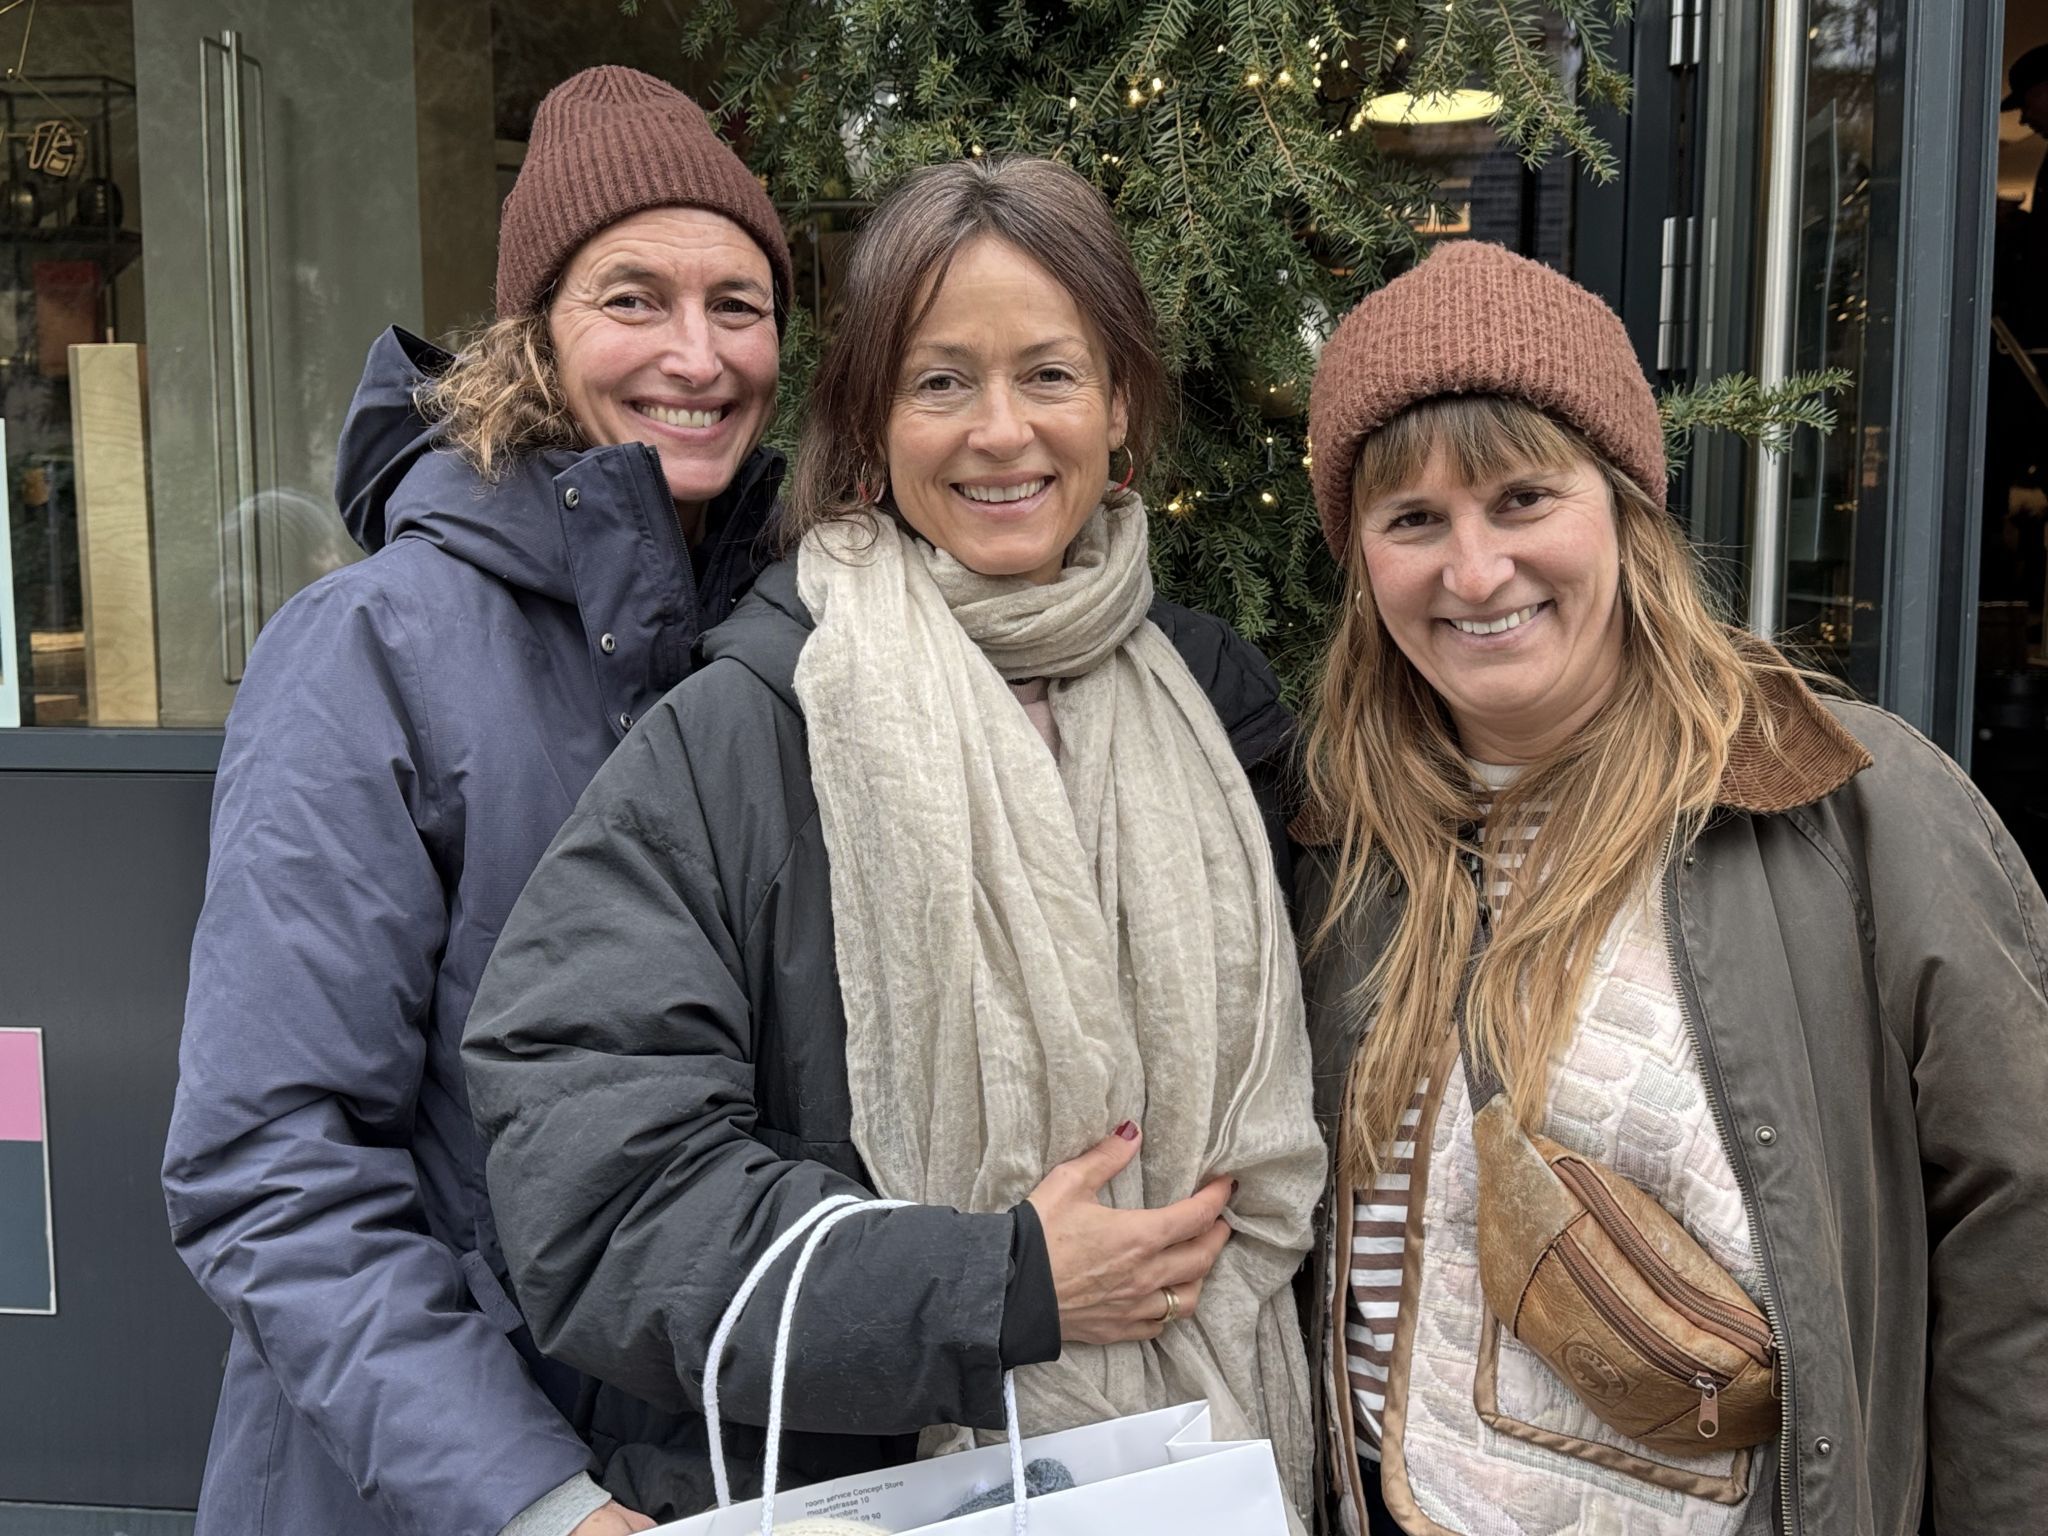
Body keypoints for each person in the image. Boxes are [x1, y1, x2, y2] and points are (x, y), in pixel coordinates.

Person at [461, 155, 1325, 1525]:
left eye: (1049, 374)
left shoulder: (1227, 714)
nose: (1000, 431)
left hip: (1220, 1465)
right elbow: (599, 1198)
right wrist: (996, 1287)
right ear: (868, 423)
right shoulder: (744, 734)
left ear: (1122, 410)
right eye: (940, 383)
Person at [1294, 239, 2048, 1536]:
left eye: (1523, 499)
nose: (1473, 574)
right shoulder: (1343, 848)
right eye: (1414, 520)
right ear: (1362, 558)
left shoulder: (1856, 813)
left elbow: (2019, 1243)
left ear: (1626, 509)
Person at [161, 66, 792, 1536]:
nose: (695, 355)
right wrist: (538, 1501)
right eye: (632, 298)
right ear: (534, 333)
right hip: (426, 1493)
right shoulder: (370, 651)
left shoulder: (778, 638)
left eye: (739, 305)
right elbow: (271, 1161)